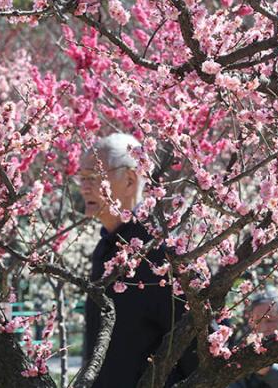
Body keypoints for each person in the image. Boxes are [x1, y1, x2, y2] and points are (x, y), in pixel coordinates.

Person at [80, 133, 197, 387]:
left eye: (93, 176)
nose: (84, 186)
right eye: (81, 178)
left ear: (130, 179)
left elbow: (197, 351)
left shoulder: (164, 252)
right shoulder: (104, 248)